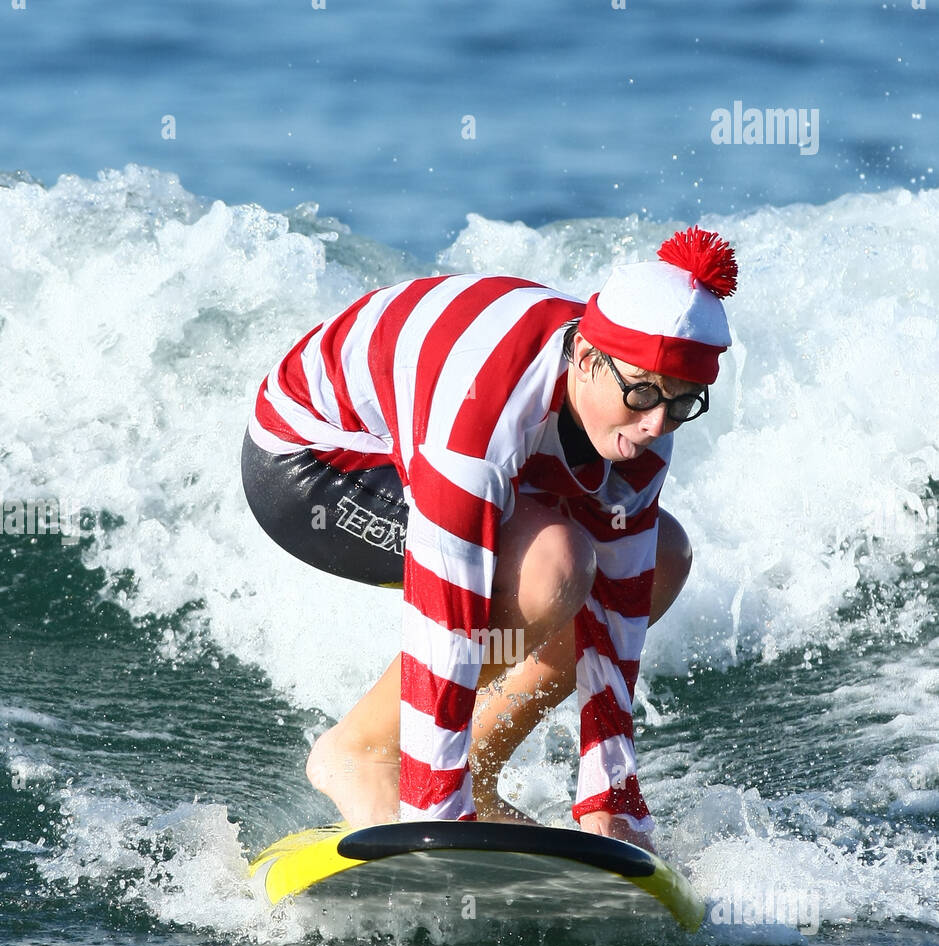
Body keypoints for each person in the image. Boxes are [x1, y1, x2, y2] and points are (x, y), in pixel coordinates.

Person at [241, 226, 737, 851]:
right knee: (553, 567)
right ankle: (363, 753)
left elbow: (620, 606)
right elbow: (444, 607)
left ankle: (476, 767)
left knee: (663, 556)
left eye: (682, 402)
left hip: (429, 455)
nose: (656, 423)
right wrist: (434, 813)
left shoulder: (644, 409)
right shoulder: (486, 407)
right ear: (586, 357)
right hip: (314, 465)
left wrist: (610, 796)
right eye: (641, 394)